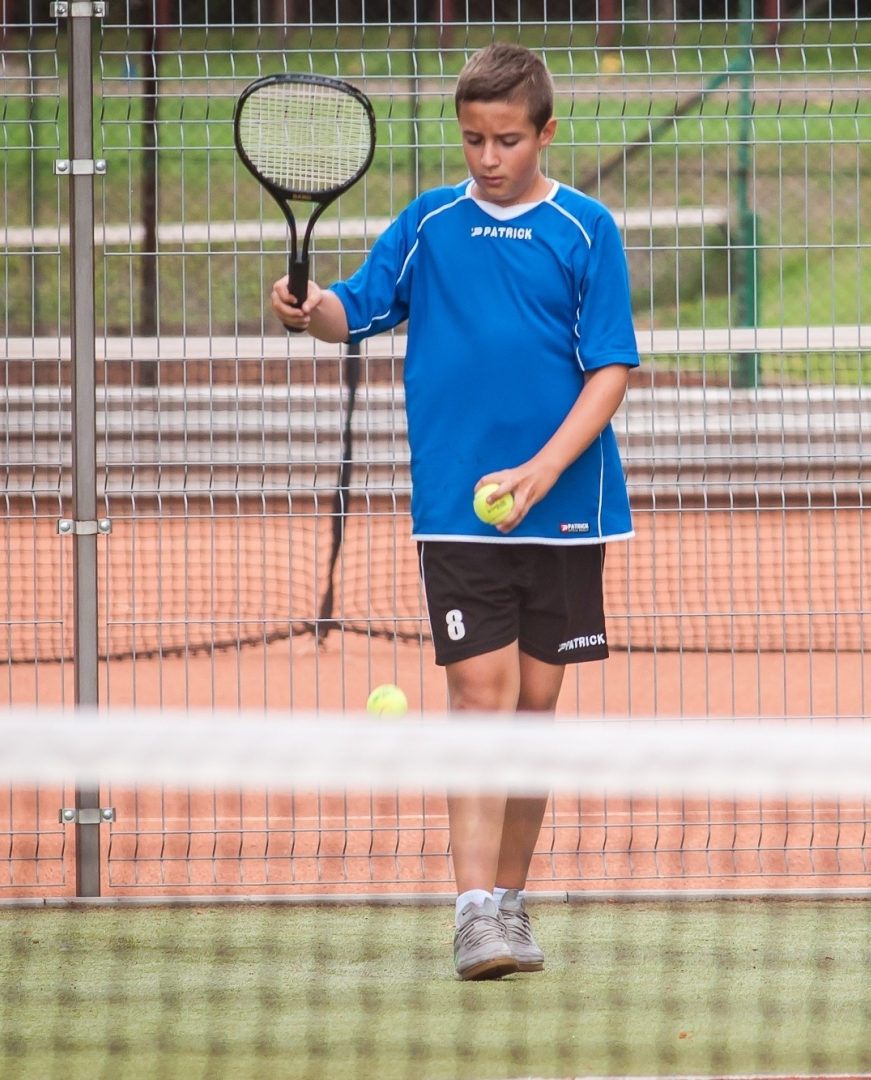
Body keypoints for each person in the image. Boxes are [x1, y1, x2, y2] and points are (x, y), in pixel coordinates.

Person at [268, 41, 638, 980]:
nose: (487, 158)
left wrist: (546, 471)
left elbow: (611, 370)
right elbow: (352, 310)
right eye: (473, 139)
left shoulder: (588, 229)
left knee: (532, 713)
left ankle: (511, 903)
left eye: (507, 140)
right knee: (481, 699)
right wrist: (306, 310)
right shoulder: (430, 223)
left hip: (567, 508)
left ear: (545, 134)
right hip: (455, 511)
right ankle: (474, 913)